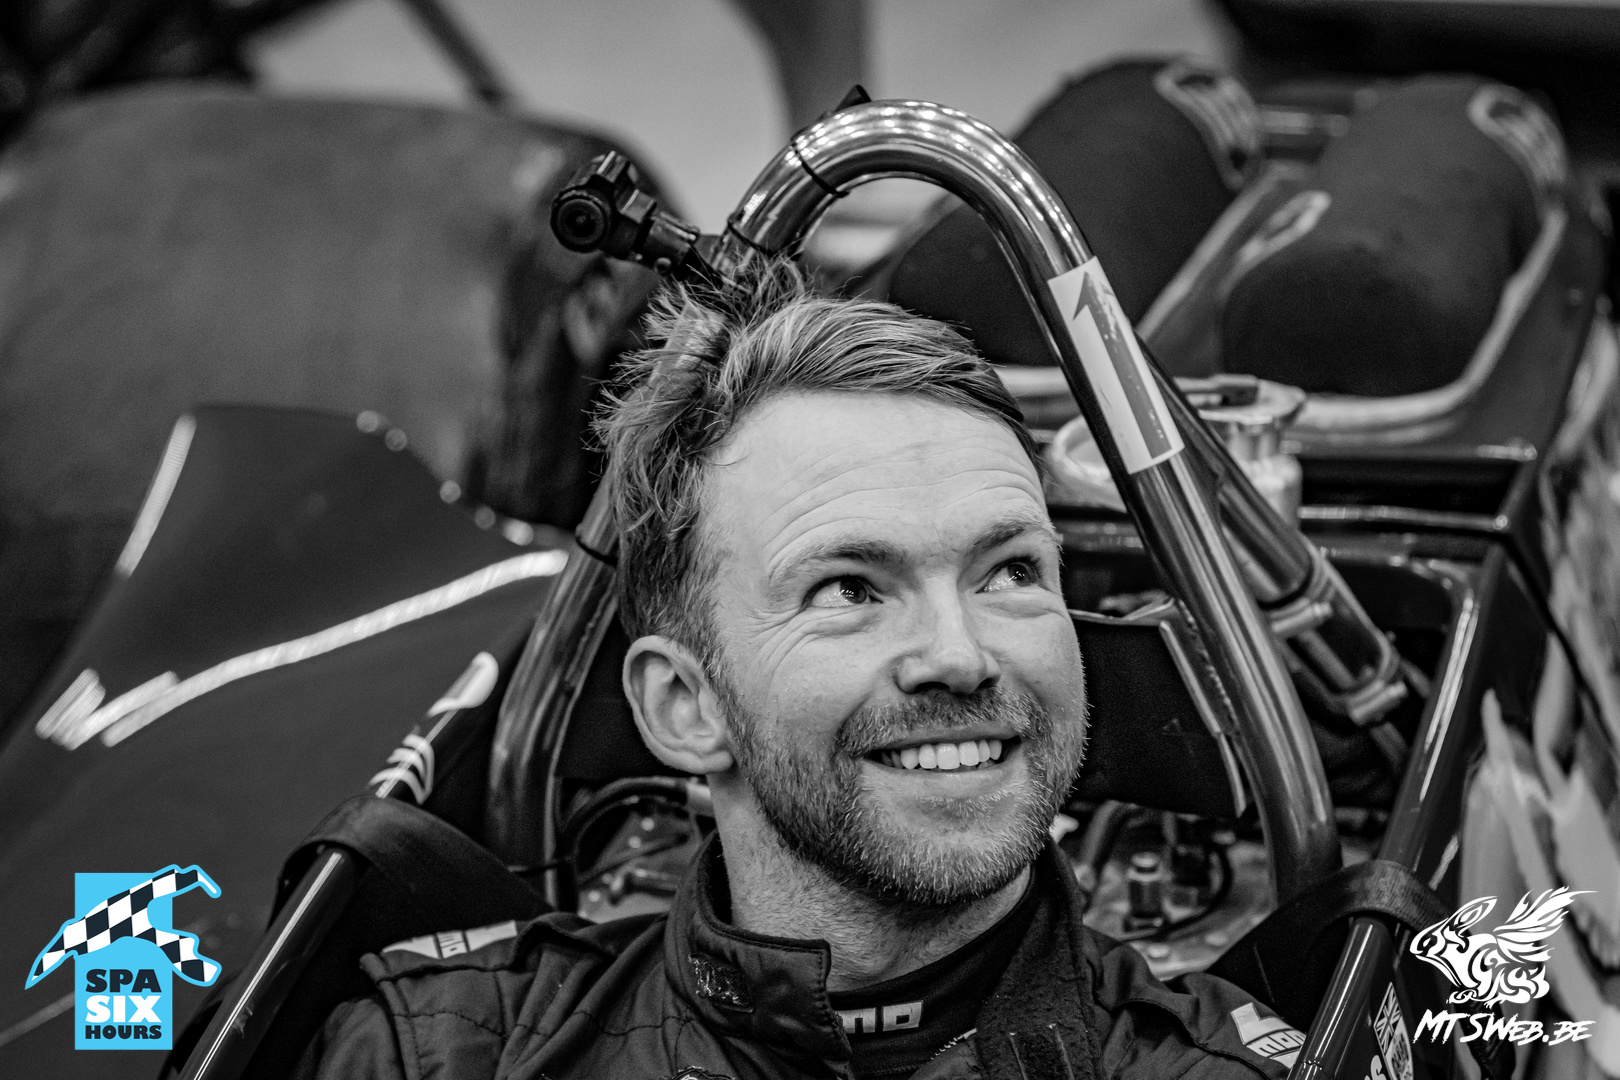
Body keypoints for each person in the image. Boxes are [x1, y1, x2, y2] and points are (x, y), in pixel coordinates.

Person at [300, 257, 1304, 1080]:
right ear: (685, 706)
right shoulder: (433, 1053)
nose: (960, 655)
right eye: (851, 589)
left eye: (1009, 572)